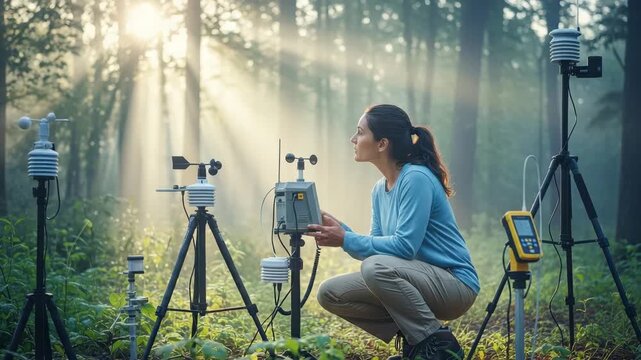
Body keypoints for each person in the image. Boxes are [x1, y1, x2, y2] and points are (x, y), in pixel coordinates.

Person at [306, 104, 480, 360]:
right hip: (415, 280)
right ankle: (415, 342)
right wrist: (342, 232)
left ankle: (438, 346)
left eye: (360, 132)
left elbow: (404, 247)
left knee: (376, 268)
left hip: (454, 283)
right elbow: (378, 248)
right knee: (330, 292)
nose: (353, 139)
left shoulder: (415, 178)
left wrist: (346, 239)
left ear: (381, 144)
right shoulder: (379, 189)